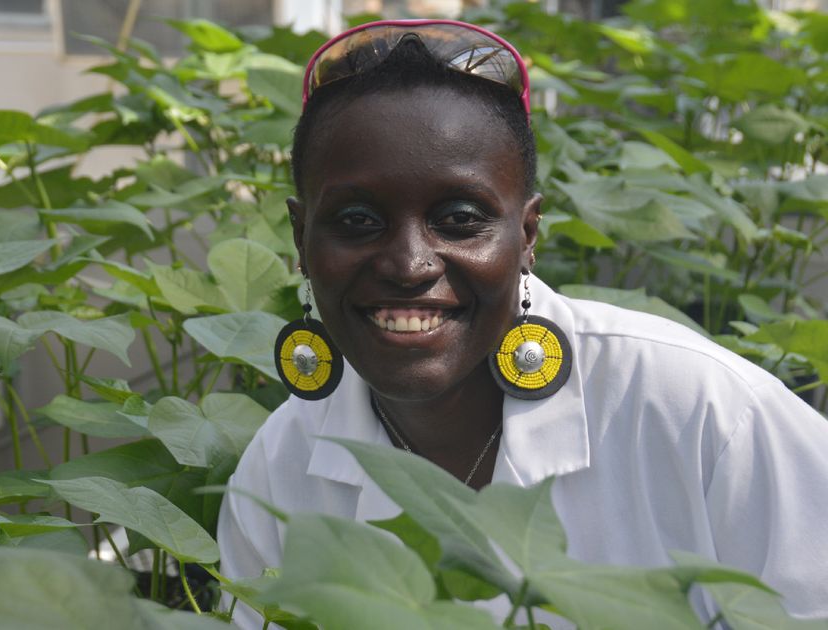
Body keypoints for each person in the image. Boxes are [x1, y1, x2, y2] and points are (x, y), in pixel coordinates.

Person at [216, 18, 828, 627]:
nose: (409, 265)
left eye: (459, 217)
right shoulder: (280, 470)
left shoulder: (702, 414)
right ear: (301, 236)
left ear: (527, 234)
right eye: (356, 220)